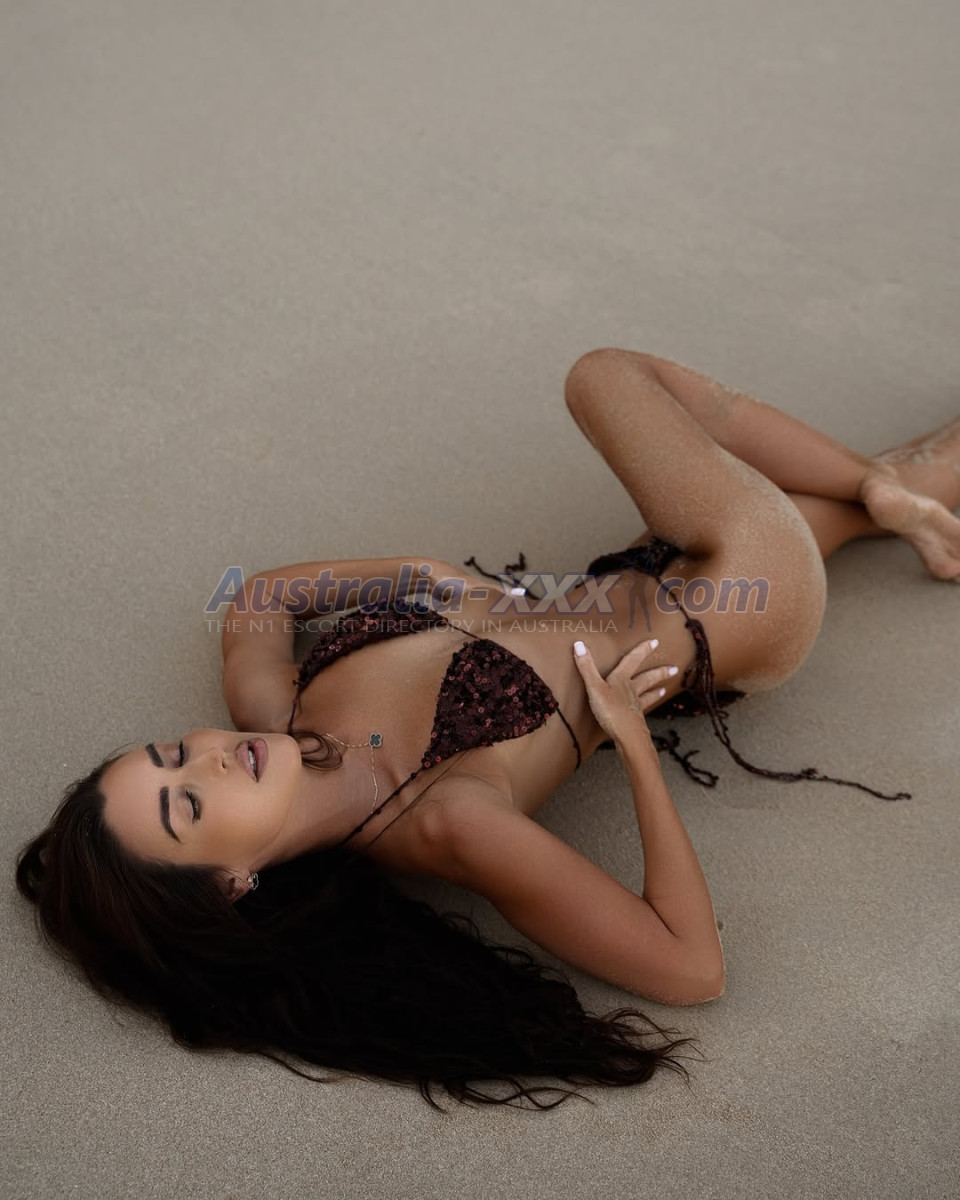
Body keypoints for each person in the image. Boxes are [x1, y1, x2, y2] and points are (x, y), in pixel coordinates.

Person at [15, 348, 960, 1111]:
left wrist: (418, 573)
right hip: (735, 601)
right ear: (230, 884)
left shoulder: (277, 715)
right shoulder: (445, 821)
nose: (211, 760)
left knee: (869, 496)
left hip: (629, 569)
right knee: (605, 376)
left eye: (174, 753)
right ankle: (879, 486)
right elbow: (690, 968)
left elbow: (258, 599)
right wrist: (634, 745)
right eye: (187, 804)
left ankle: (886, 492)